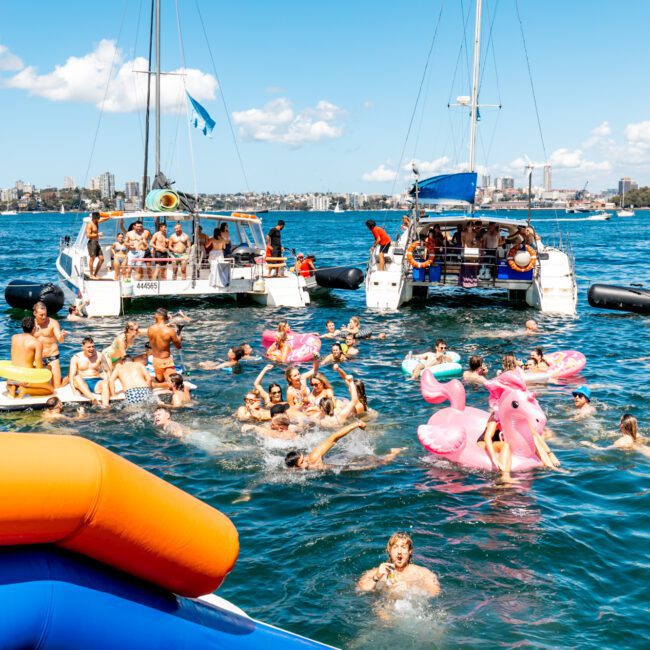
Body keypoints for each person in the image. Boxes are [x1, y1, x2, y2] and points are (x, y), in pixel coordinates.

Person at [284, 421, 403, 470]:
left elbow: (334, 437)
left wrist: (355, 424)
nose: (307, 461)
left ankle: (395, 452)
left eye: (304, 457)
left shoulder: (314, 456)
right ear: (296, 467)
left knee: (380, 463)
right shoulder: (296, 472)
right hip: (335, 464)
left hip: (342, 459)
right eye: (302, 462)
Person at [357, 532, 440, 597]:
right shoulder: (376, 572)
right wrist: (376, 577)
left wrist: (411, 587)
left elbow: (435, 592)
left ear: (410, 551)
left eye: (403, 547)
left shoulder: (422, 573)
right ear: (389, 550)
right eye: (395, 547)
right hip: (383, 611)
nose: (399, 552)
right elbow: (360, 589)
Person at [8, 315, 53, 398]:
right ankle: (25, 390)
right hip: (26, 376)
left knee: (12, 382)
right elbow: (39, 367)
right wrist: (46, 368)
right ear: (34, 328)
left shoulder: (14, 337)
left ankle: (12, 386)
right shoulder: (36, 343)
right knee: (50, 389)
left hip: (13, 374)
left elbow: (13, 357)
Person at [33, 301, 67, 389]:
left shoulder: (53, 323)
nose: (44, 317)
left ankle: (69, 377)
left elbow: (60, 340)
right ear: (34, 313)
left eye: (45, 314)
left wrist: (62, 336)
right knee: (37, 386)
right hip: (37, 358)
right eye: (41, 315)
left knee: (57, 387)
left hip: (52, 357)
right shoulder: (31, 325)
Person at [69, 336, 110, 408]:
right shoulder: (76, 358)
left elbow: (107, 370)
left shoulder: (100, 355)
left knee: (105, 383)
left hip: (95, 382)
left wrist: (108, 379)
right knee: (76, 377)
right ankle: (93, 400)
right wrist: (73, 390)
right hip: (82, 382)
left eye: (93, 346)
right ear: (83, 347)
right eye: (89, 347)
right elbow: (71, 375)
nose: (91, 349)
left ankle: (105, 406)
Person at [581, 414, 648, 456]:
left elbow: (603, 450)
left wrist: (589, 444)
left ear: (621, 425)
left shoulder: (621, 441)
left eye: (620, 421)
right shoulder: (637, 435)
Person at [147, 307, 182, 386]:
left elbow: (159, 329)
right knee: (176, 384)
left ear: (156, 316)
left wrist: (167, 321)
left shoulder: (150, 329)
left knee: (161, 381)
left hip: (155, 360)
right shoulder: (170, 331)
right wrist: (179, 334)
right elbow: (179, 346)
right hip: (166, 362)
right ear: (165, 317)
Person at [85, 211, 110, 278]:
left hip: (96, 242)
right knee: (92, 259)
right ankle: (91, 275)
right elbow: (88, 235)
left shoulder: (97, 222)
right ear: (94, 218)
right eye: (98, 218)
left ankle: (95, 274)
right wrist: (97, 234)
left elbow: (107, 217)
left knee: (101, 259)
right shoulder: (90, 224)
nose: (99, 219)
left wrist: (101, 213)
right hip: (92, 243)